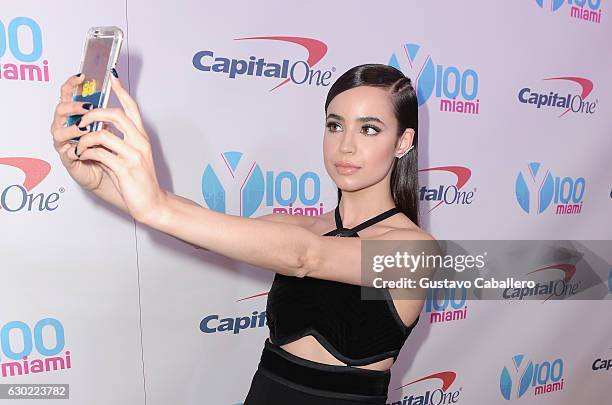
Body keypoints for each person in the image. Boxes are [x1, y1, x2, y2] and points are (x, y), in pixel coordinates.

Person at [50, 63, 436, 404]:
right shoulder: (298, 226)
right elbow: (199, 226)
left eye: (369, 129)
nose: (346, 145)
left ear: (403, 142)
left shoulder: (417, 251)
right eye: (335, 125)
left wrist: (156, 206)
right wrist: (102, 185)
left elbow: (305, 258)